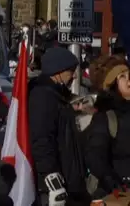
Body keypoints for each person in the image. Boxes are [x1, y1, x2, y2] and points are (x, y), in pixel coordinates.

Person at [28, 47, 90, 205]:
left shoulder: (56, 95)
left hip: (69, 179)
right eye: (70, 71)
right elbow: (42, 139)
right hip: (57, 183)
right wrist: (52, 178)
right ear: (58, 71)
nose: (74, 76)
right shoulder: (44, 97)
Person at [85, 55, 130, 197]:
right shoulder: (106, 116)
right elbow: (96, 158)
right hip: (116, 193)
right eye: (122, 76)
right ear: (111, 84)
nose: (129, 80)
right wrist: (115, 185)